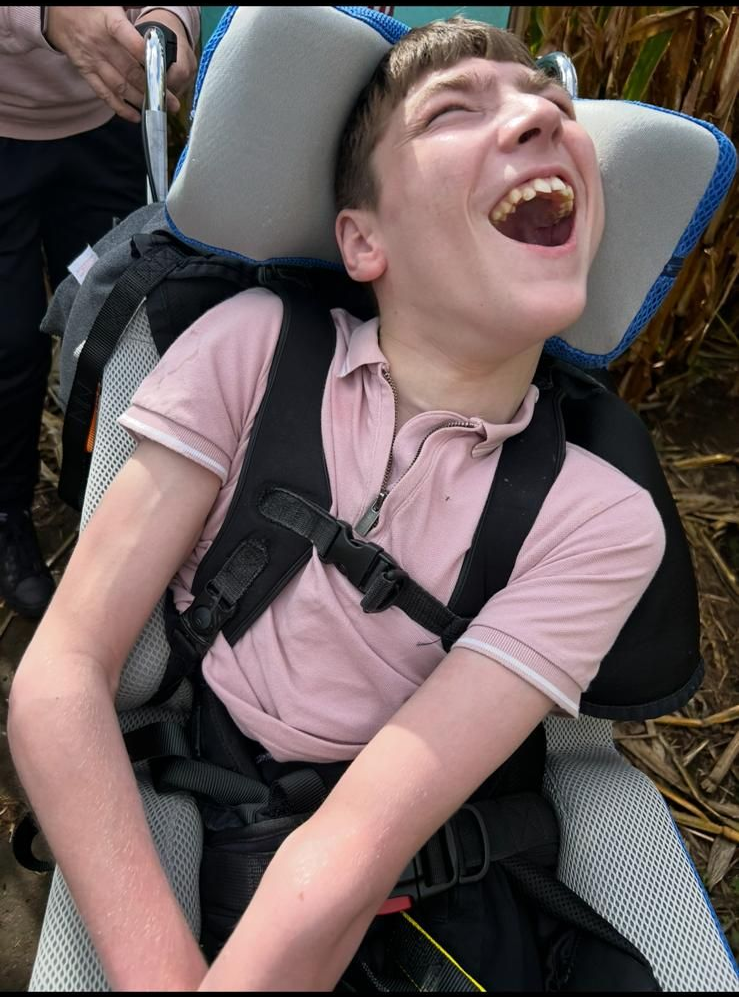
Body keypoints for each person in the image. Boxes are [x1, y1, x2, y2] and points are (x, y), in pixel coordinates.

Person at [8, 16, 666, 992]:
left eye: (555, 107)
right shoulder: (250, 349)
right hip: (241, 821)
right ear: (360, 237)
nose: (537, 117)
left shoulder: (599, 515)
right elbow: (60, 675)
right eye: (455, 109)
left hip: (440, 863)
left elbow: (357, 843)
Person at [0, 5, 200, 618]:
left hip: (109, 119)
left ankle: (111, 508)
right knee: (8, 347)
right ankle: (8, 512)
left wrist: (172, 21)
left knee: (121, 333)